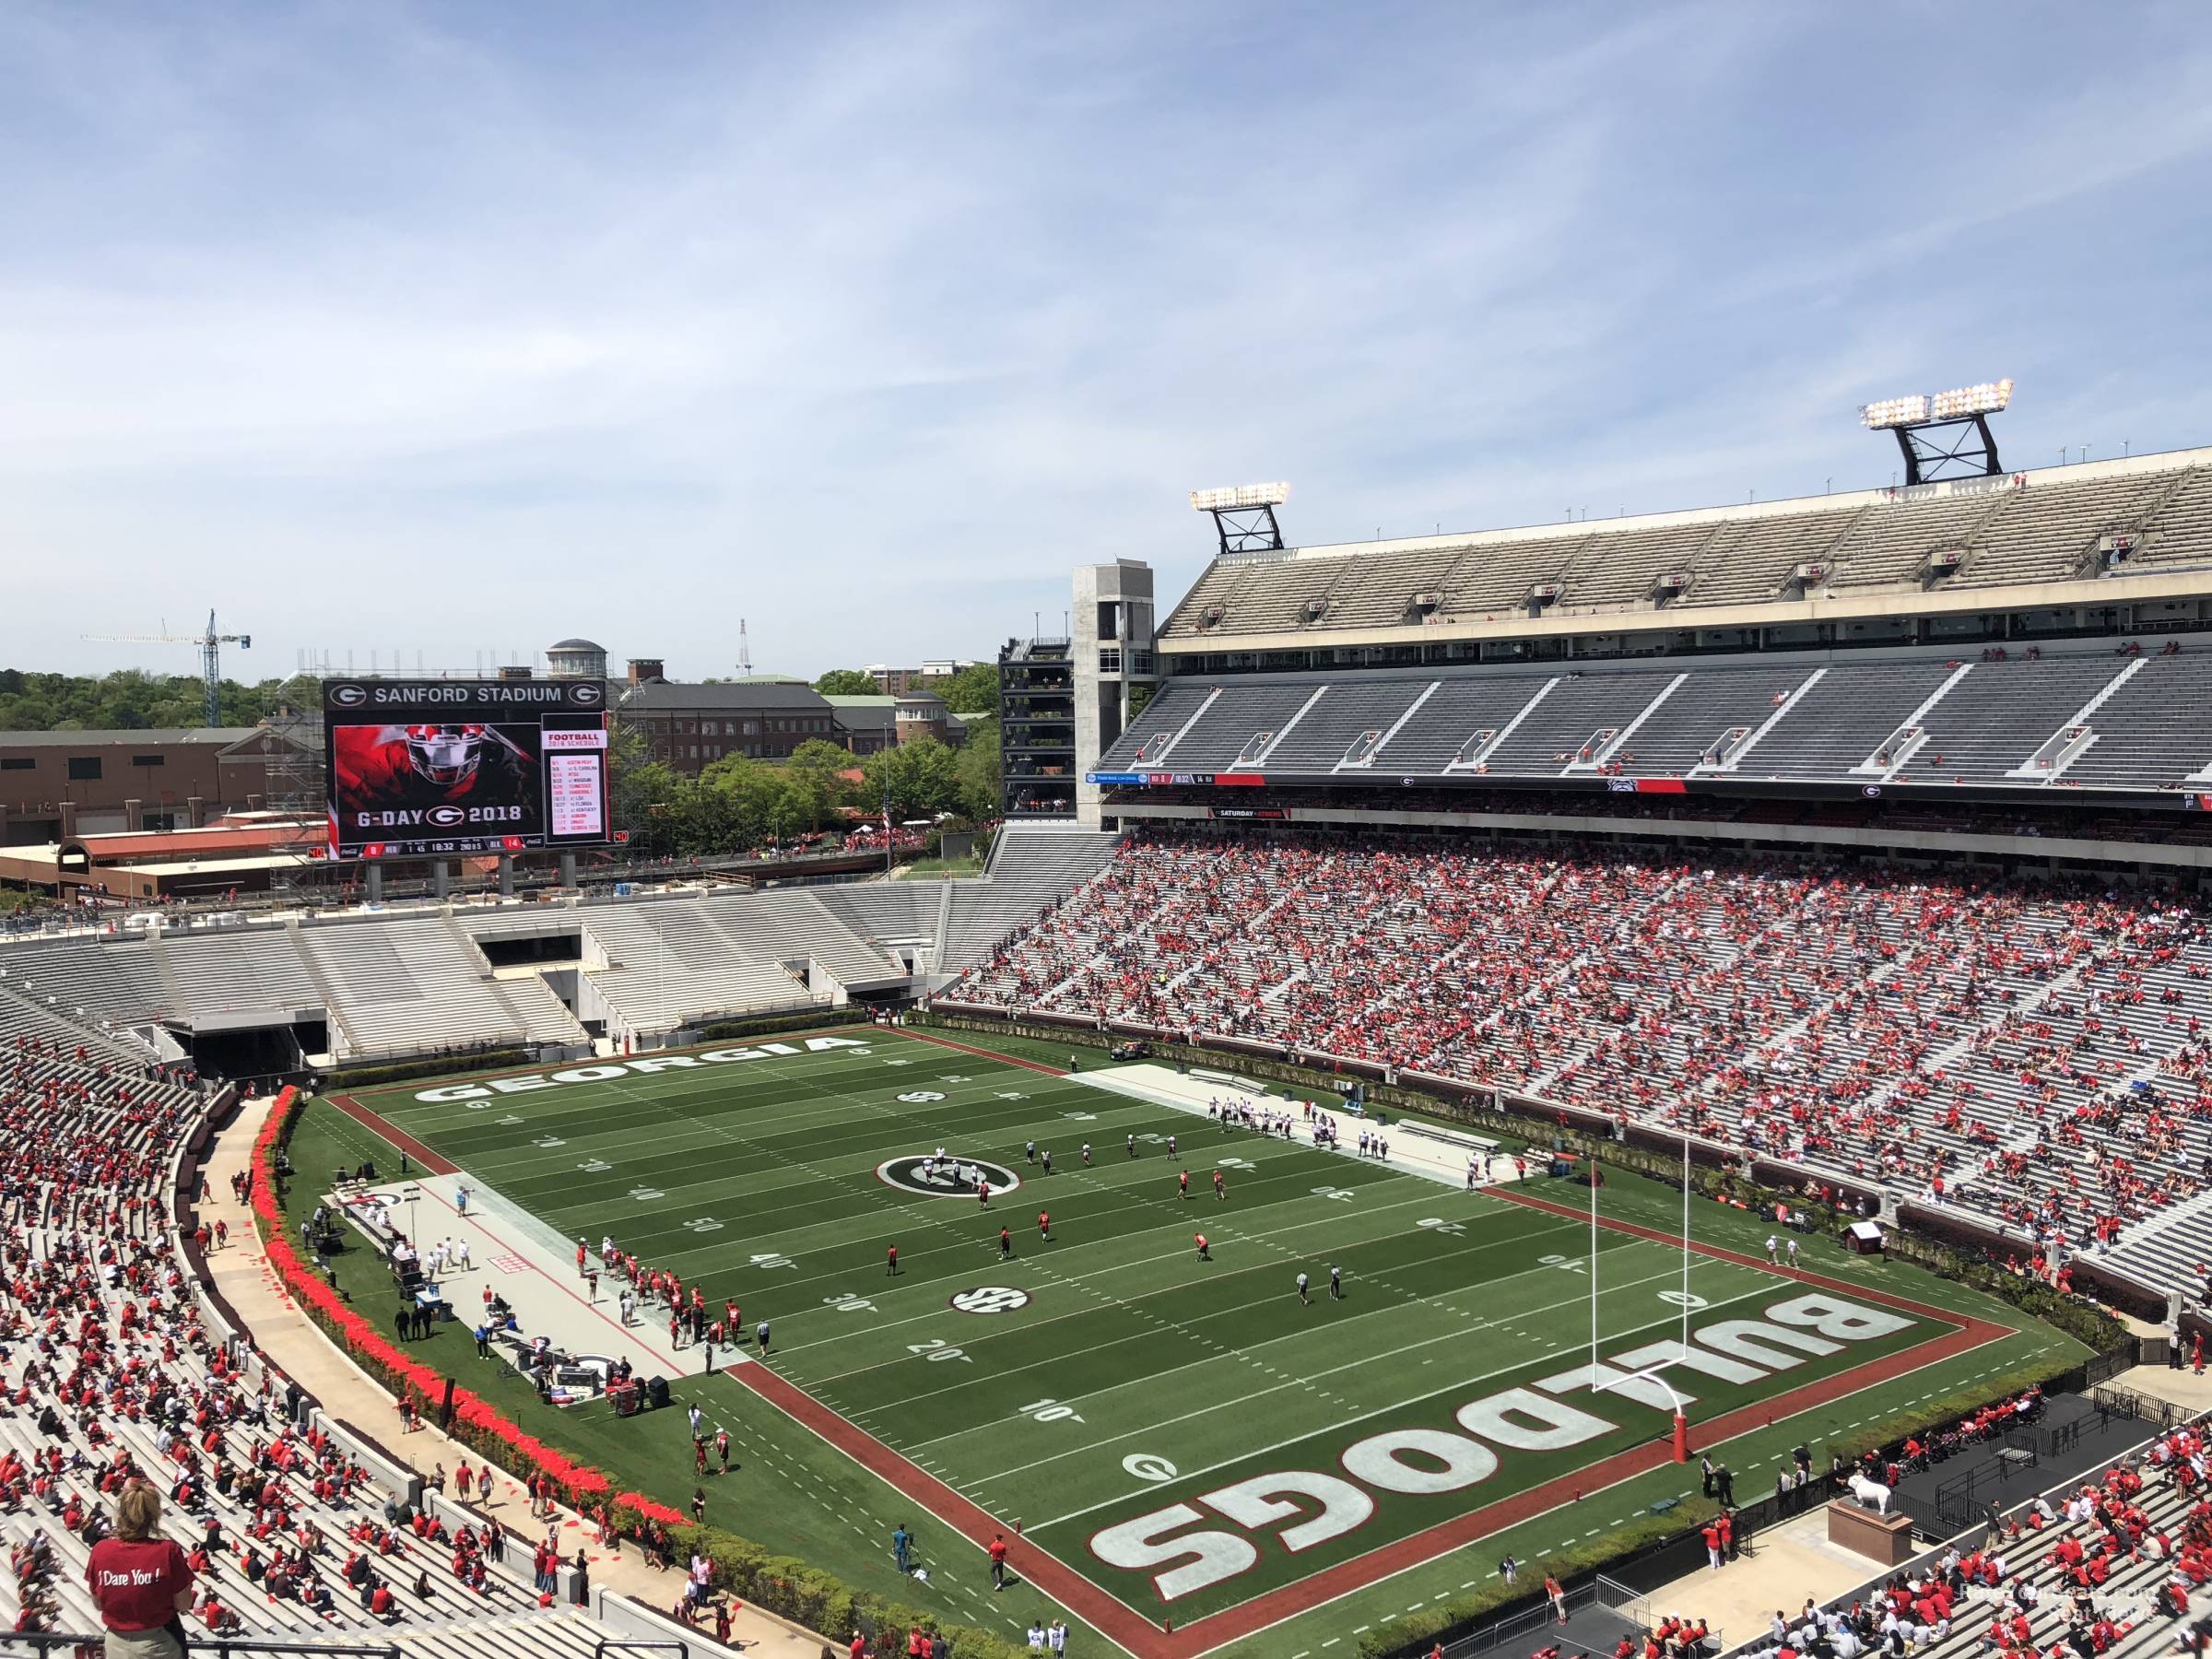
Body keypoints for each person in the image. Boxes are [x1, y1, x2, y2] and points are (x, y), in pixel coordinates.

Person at [87, 1483, 195, 1658]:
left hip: (116, 1643)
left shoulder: (100, 1550)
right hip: (159, 1643)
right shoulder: (168, 1551)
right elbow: (183, 1603)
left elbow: (98, 1603)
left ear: (120, 1515)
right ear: (153, 1517)